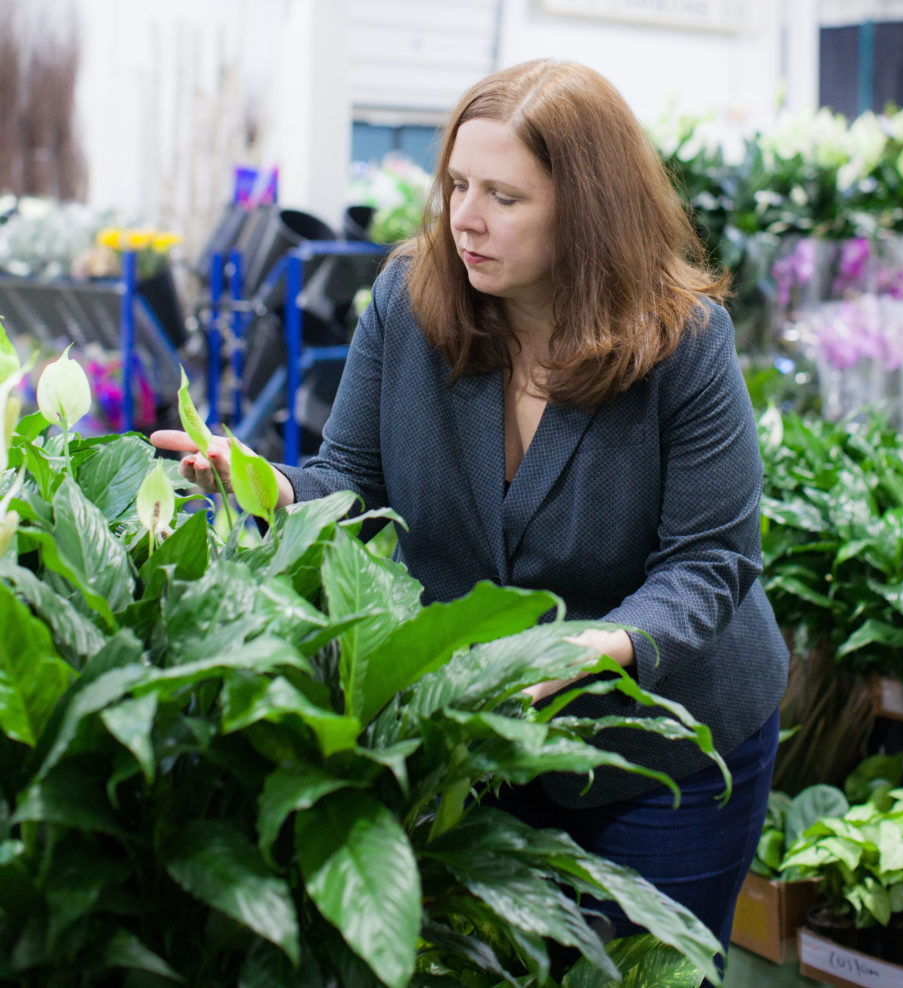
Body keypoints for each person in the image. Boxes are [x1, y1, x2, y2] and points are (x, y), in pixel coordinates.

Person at [152, 58, 789, 969]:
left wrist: (591, 647)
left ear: (587, 209)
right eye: (456, 183)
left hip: (669, 743)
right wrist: (263, 485)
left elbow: (711, 561)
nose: (466, 217)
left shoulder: (681, 343)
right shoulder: (410, 302)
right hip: (485, 731)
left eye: (504, 195)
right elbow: (355, 479)